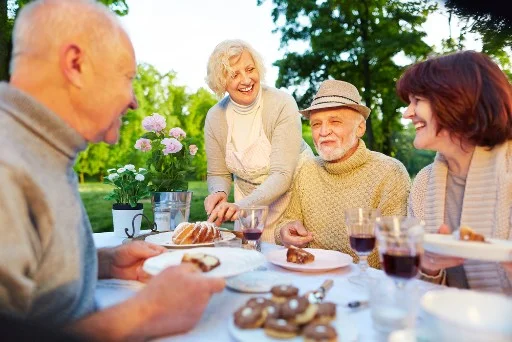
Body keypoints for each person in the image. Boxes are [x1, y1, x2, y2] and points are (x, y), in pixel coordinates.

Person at [0, 0, 224, 340]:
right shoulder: (7, 164)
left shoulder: (42, 147)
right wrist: (145, 314)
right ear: (75, 64)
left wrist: (104, 263)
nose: (133, 100)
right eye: (127, 77)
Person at [398, 50, 512, 293]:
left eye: (417, 101)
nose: (407, 113)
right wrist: (428, 267)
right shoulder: (423, 183)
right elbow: (414, 290)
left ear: (457, 101)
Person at [275, 80, 411, 268]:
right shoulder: (307, 169)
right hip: (310, 275)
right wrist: (284, 231)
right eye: (316, 124)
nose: (323, 131)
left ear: (360, 128)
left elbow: (396, 248)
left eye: (335, 121)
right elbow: (288, 220)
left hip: (365, 284)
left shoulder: (390, 173)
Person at [203, 39, 313, 242]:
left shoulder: (281, 103)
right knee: (250, 260)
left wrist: (243, 207)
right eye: (235, 75)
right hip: (247, 203)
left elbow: (281, 174)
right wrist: (218, 192)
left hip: (294, 195)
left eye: (250, 69)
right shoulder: (215, 117)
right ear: (221, 82)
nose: (246, 80)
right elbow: (218, 172)